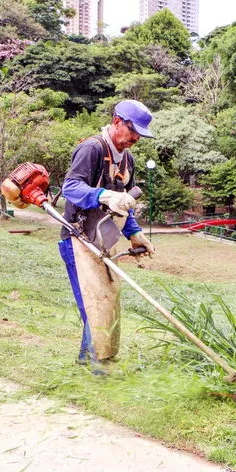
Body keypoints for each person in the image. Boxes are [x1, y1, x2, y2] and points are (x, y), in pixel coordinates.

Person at [57, 100, 156, 368]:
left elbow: (125, 204)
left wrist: (135, 233)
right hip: (78, 239)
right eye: (133, 131)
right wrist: (104, 194)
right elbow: (70, 187)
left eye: (140, 134)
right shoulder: (92, 148)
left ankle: (89, 359)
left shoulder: (128, 160)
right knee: (93, 306)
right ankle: (97, 367)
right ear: (116, 122)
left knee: (106, 302)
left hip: (104, 239)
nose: (136, 138)